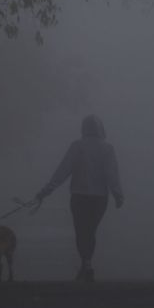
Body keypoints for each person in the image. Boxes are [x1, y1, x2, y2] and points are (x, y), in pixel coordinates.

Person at [28, 114, 124, 282]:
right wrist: (117, 193)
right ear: (101, 129)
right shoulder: (107, 148)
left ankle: (86, 264)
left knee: (82, 231)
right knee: (90, 231)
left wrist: (45, 191)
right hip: (100, 198)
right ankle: (87, 265)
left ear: (83, 129)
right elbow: (111, 174)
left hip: (79, 197)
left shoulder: (77, 146)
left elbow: (62, 171)